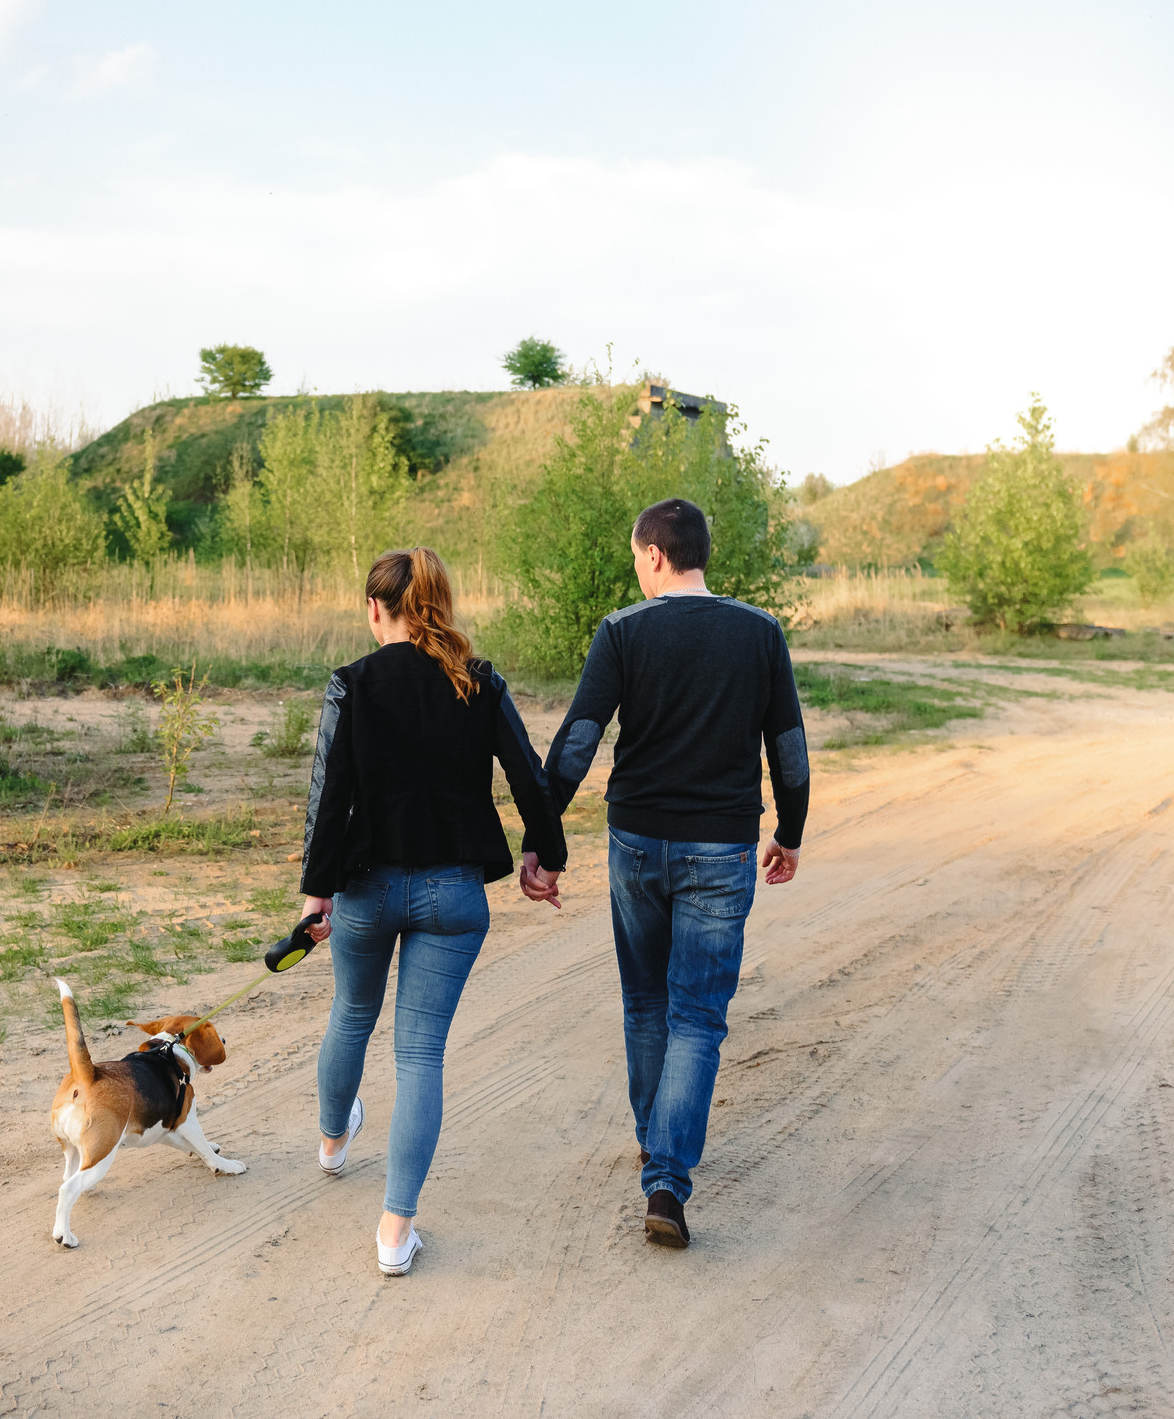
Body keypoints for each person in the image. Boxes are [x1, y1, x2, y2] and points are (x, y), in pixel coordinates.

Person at [536, 497, 811, 1251]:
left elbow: (578, 739)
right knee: (698, 1014)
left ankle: (655, 1143)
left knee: (646, 1002)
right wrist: (789, 828)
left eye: (635, 557)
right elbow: (787, 745)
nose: (636, 568)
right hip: (722, 846)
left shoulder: (624, 631)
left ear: (655, 555)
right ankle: (666, 1178)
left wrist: (542, 831)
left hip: (636, 840)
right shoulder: (759, 632)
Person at [297, 546, 567, 1275]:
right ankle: (394, 1233)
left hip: (366, 886)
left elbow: (330, 794)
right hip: (453, 892)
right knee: (419, 1053)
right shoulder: (478, 680)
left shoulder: (351, 683)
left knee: (352, 1012)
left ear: (375, 609)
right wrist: (546, 855)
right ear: (440, 606)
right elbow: (528, 775)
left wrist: (316, 889)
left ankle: (331, 1141)